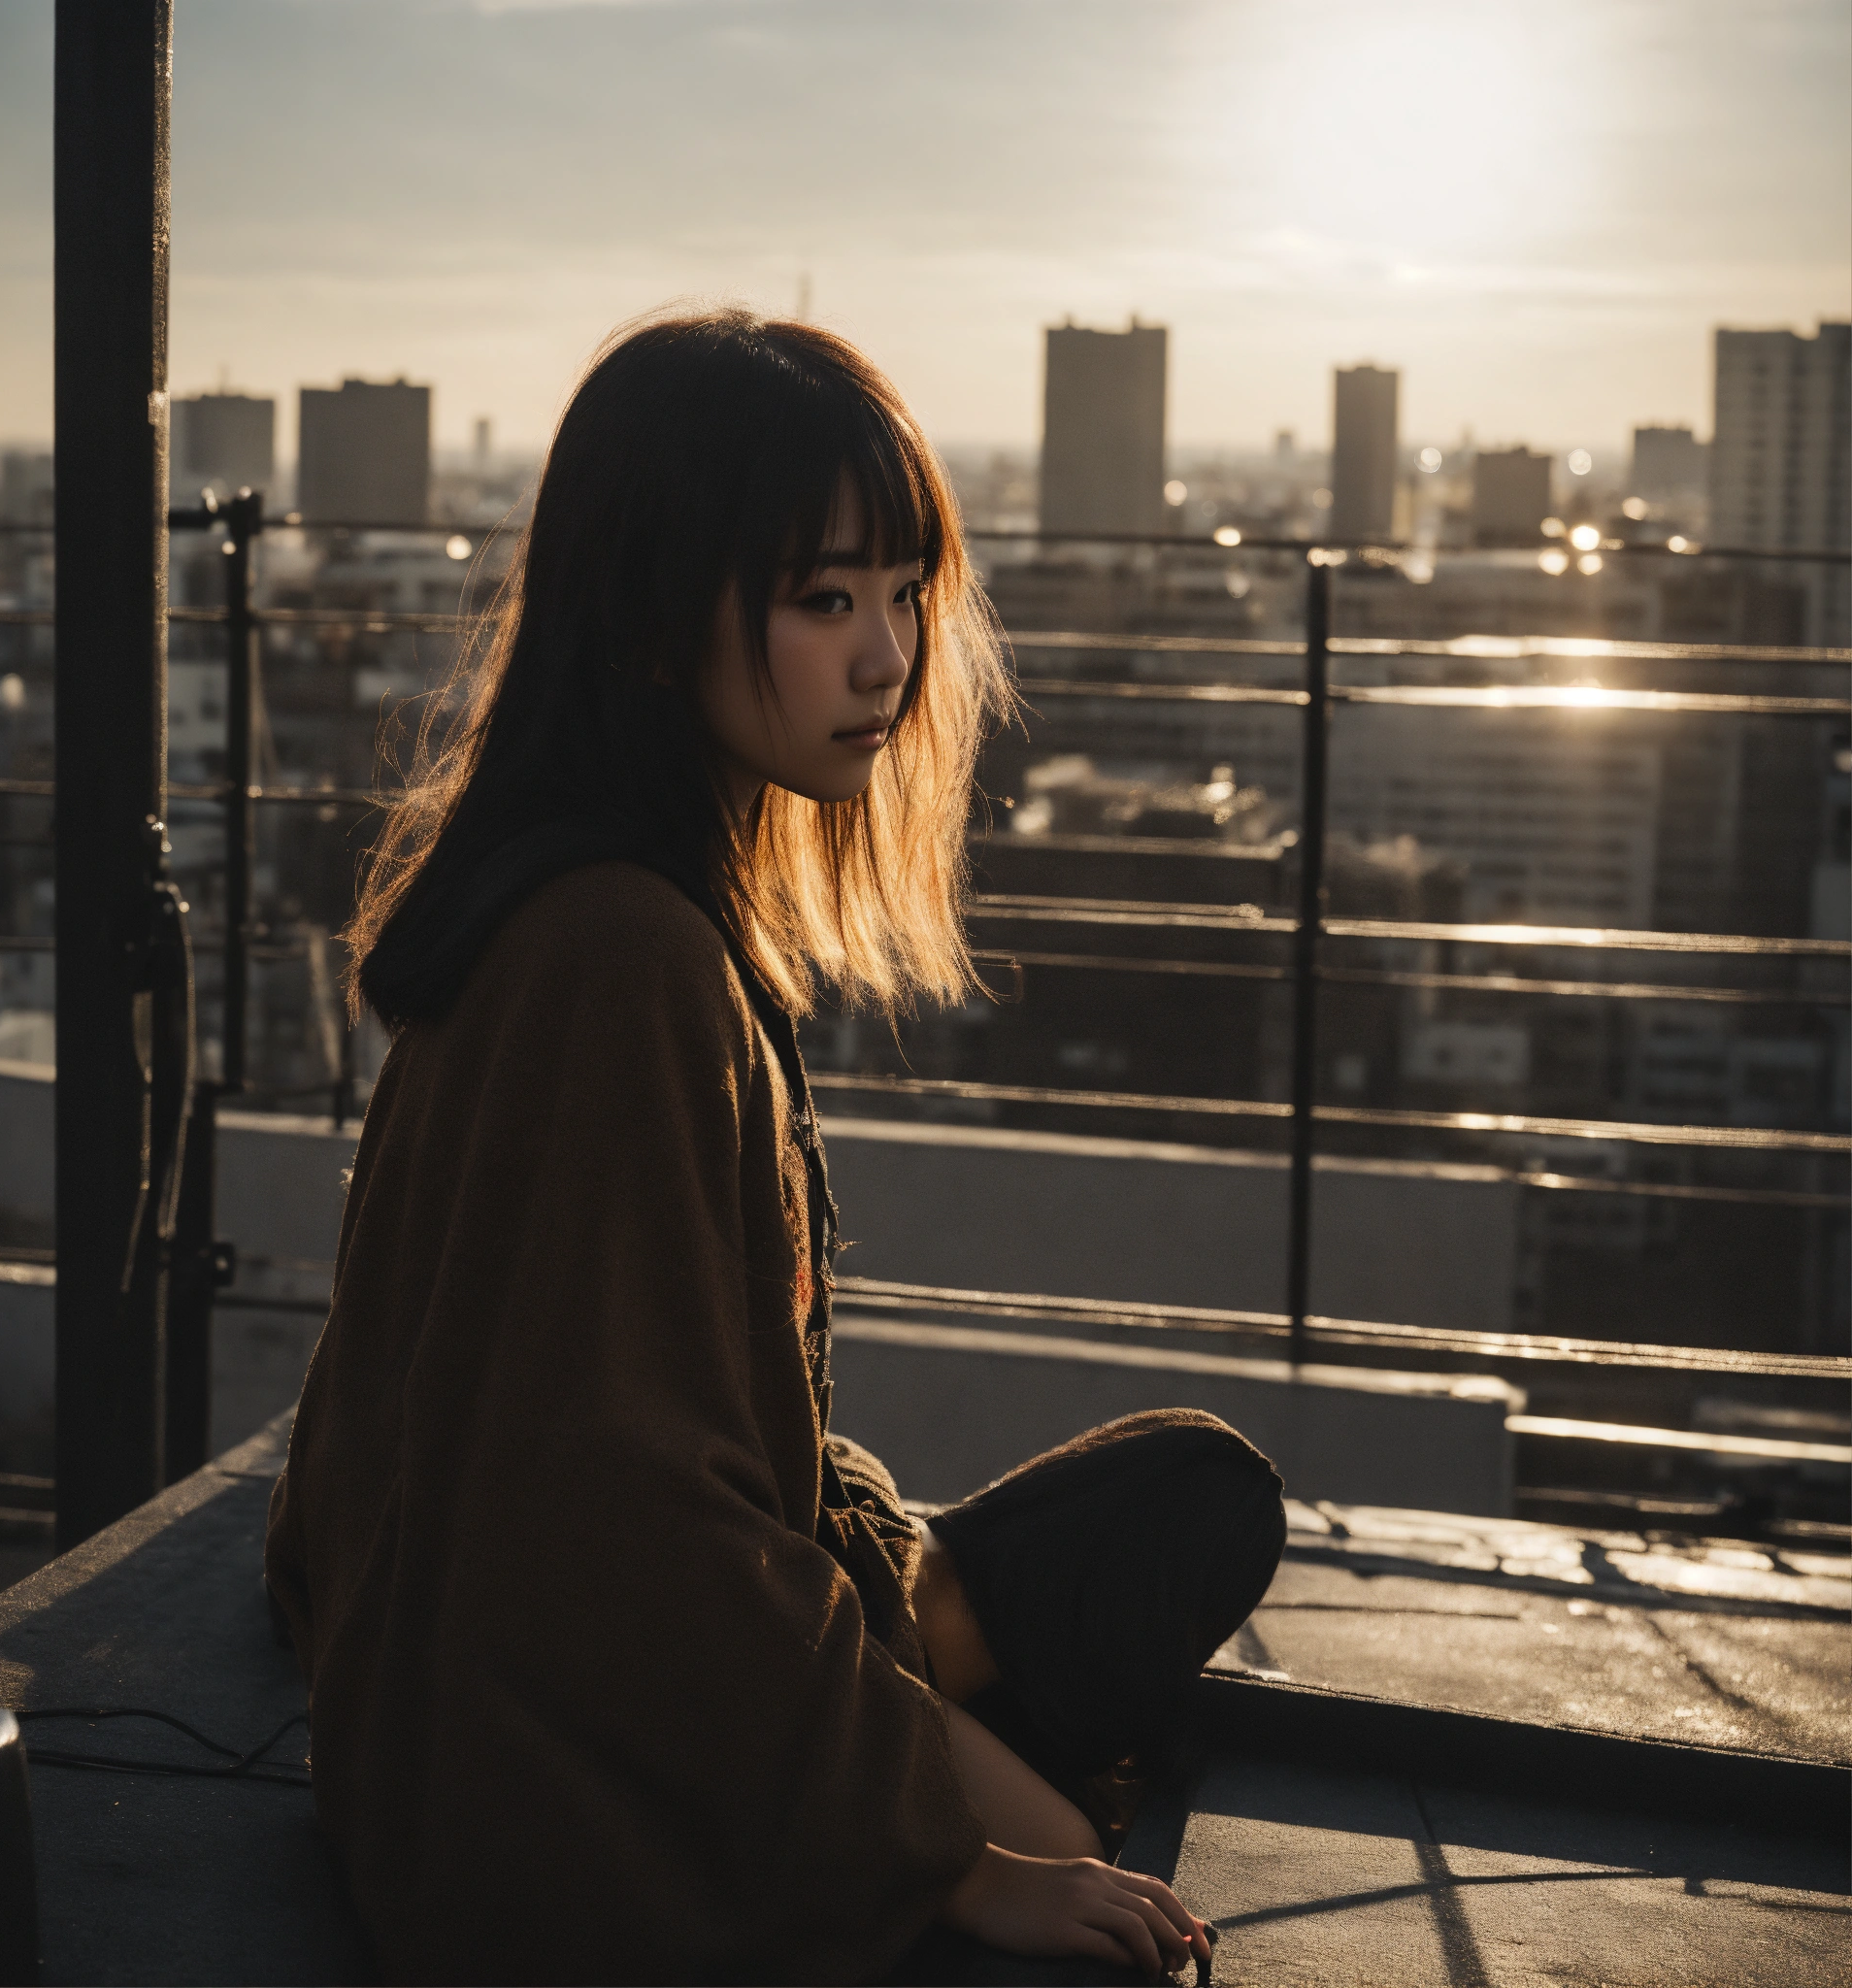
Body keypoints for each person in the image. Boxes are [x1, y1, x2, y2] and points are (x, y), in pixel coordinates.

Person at [264, 309, 1284, 1985]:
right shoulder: (618, 962)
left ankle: (913, 1634)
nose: (888, 658)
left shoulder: (594, 905)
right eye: (825, 600)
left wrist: (859, 1583)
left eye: (904, 595)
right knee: (1092, 1892)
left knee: (1195, 1497)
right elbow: (623, 1527)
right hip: (546, 1805)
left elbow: (522, 1442)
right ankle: (923, 1666)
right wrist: (953, 1861)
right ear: (656, 616)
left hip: (545, 1702)